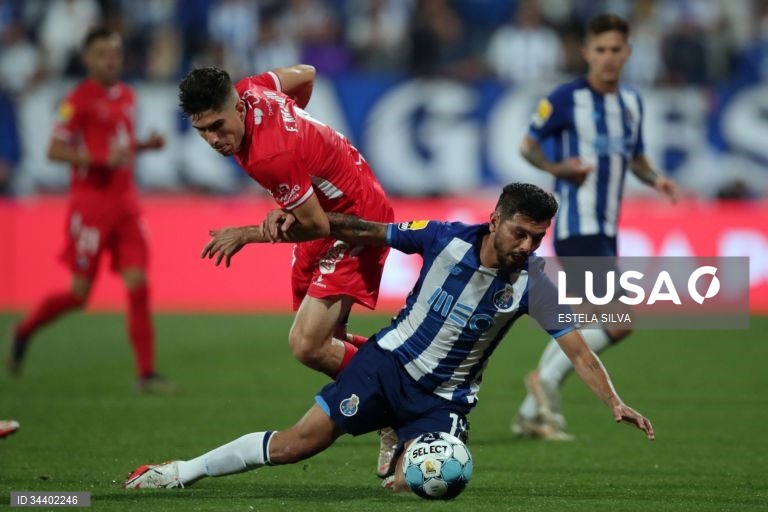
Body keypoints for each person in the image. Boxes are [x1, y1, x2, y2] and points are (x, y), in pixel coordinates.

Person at [124, 183, 654, 492]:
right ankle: (179, 473)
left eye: (537, 237)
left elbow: (579, 352)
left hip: (444, 401)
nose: (527, 245)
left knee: (432, 483)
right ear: (495, 221)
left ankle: (402, 452)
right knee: (293, 446)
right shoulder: (444, 238)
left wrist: (614, 401)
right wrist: (285, 225)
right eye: (520, 232)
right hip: (386, 367)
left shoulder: (535, 285)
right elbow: (364, 230)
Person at [180, 65, 396, 475]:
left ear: (238, 109)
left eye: (218, 126)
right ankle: (407, 370)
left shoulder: (271, 156)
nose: (213, 139)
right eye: (202, 131)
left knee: (307, 344)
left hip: (355, 218)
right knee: (328, 343)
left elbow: (315, 225)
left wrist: (246, 234)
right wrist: (302, 150)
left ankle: (395, 411)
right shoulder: (252, 88)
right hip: (323, 206)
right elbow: (306, 75)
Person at [513, 13, 679, 440]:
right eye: (600, 49)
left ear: (627, 53)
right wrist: (557, 168)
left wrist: (656, 179)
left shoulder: (631, 103)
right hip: (576, 224)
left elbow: (635, 158)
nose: (608, 57)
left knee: (599, 317)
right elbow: (527, 147)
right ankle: (544, 381)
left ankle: (531, 412)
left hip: (606, 228)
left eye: (615, 50)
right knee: (618, 319)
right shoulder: (566, 98)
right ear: (587, 52)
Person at [8, 27, 171, 393]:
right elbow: (53, 150)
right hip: (91, 206)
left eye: (115, 54)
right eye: (102, 54)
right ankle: (24, 329)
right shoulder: (77, 100)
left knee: (139, 285)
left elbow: (118, 146)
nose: (110, 61)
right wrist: (97, 159)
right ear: (87, 59)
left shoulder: (127, 95)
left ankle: (146, 374)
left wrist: (144, 146)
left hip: (126, 205)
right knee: (79, 294)